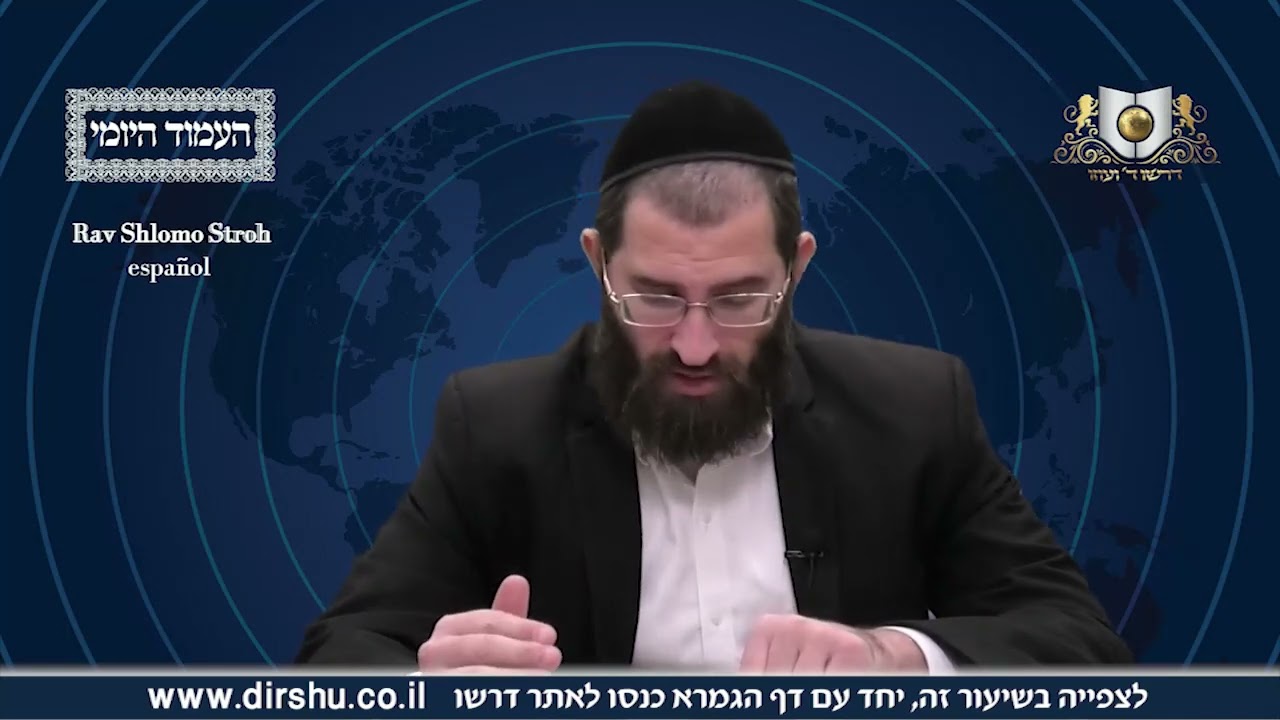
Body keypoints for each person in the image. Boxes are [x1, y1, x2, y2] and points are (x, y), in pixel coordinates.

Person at [295, 80, 1132, 673]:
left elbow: (1081, 641)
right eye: (655, 298)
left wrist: (896, 656)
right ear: (598, 262)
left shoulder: (917, 410)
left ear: (796, 268)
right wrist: (426, 686)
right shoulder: (494, 425)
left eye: (739, 300)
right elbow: (342, 653)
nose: (694, 345)